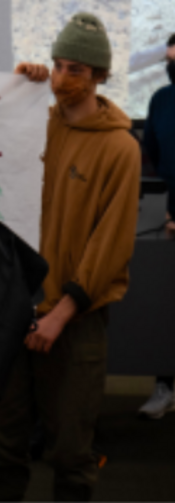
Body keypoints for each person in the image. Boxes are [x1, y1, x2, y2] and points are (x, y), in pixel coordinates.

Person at [0, 12, 141, 501]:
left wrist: (62, 313)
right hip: (12, 312)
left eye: (76, 69)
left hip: (74, 319)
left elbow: (109, 245)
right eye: (57, 66)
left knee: (72, 452)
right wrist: (14, 93)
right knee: (0, 447)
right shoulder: (35, 127)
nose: (62, 78)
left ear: (99, 76)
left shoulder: (119, 148)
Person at [140, 33, 175, 419]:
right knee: (168, 304)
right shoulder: (161, 99)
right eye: (168, 57)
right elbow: (151, 149)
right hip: (172, 209)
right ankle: (164, 387)